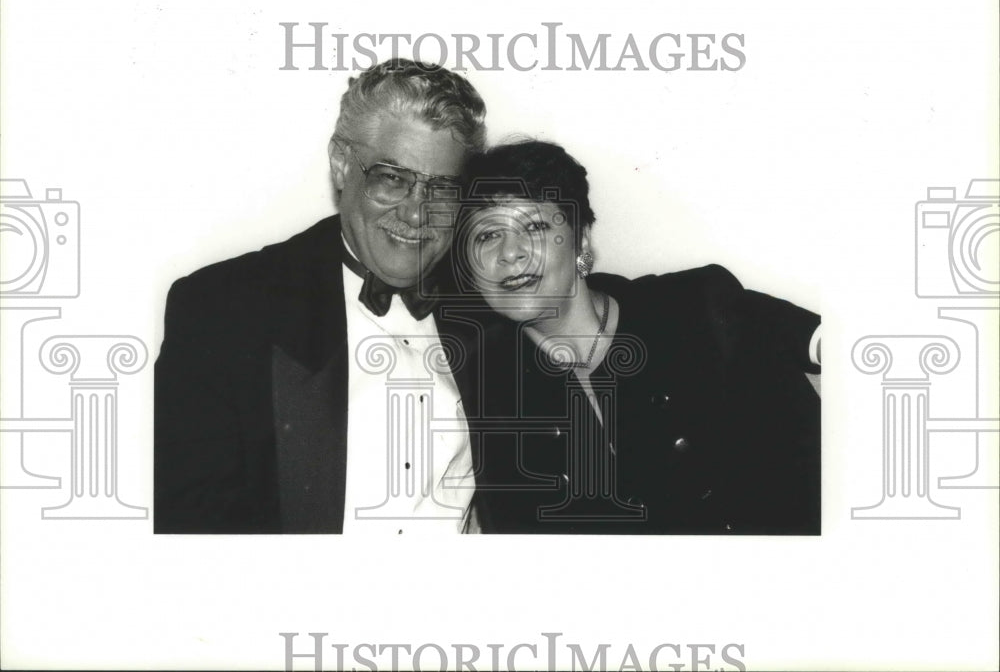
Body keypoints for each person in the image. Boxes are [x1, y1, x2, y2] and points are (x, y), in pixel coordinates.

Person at [154, 59, 489, 534]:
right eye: (392, 178)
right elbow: (191, 536)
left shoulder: (489, 305)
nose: (417, 215)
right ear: (341, 164)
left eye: (442, 190)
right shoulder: (225, 308)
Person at [457, 140, 822, 534]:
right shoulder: (479, 387)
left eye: (535, 227)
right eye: (487, 235)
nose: (510, 253)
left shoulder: (695, 308)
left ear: (580, 239)